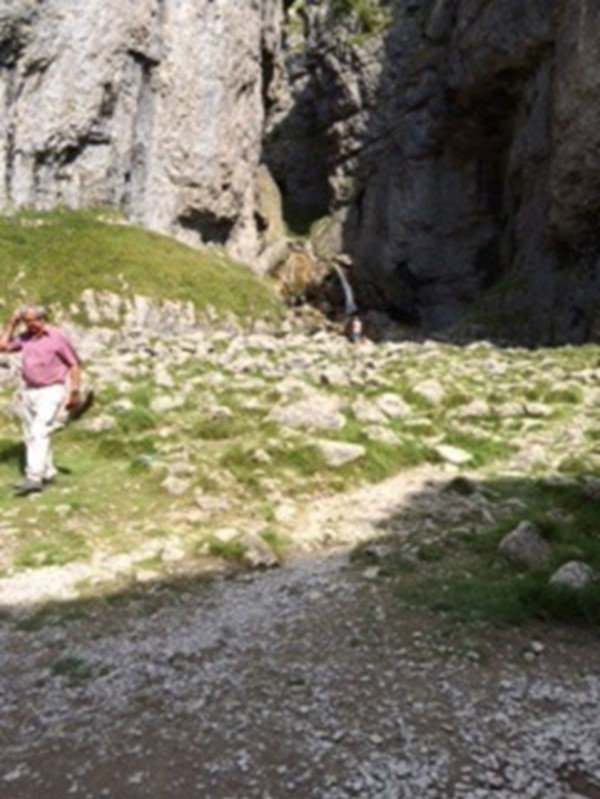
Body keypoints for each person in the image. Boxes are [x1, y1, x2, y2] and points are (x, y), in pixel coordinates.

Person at [0, 305, 92, 495]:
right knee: (30, 433)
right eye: (26, 321)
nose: (29, 325)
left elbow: (74, 364)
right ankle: (48, 471)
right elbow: (3, 347)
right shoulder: (25, 337)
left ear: (42, 319)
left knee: (39, 430)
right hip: (28, 390)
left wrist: (74, 391)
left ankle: (33, 477)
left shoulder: (56, 337)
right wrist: (11, 324)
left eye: (32, 321)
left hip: (51, 389)